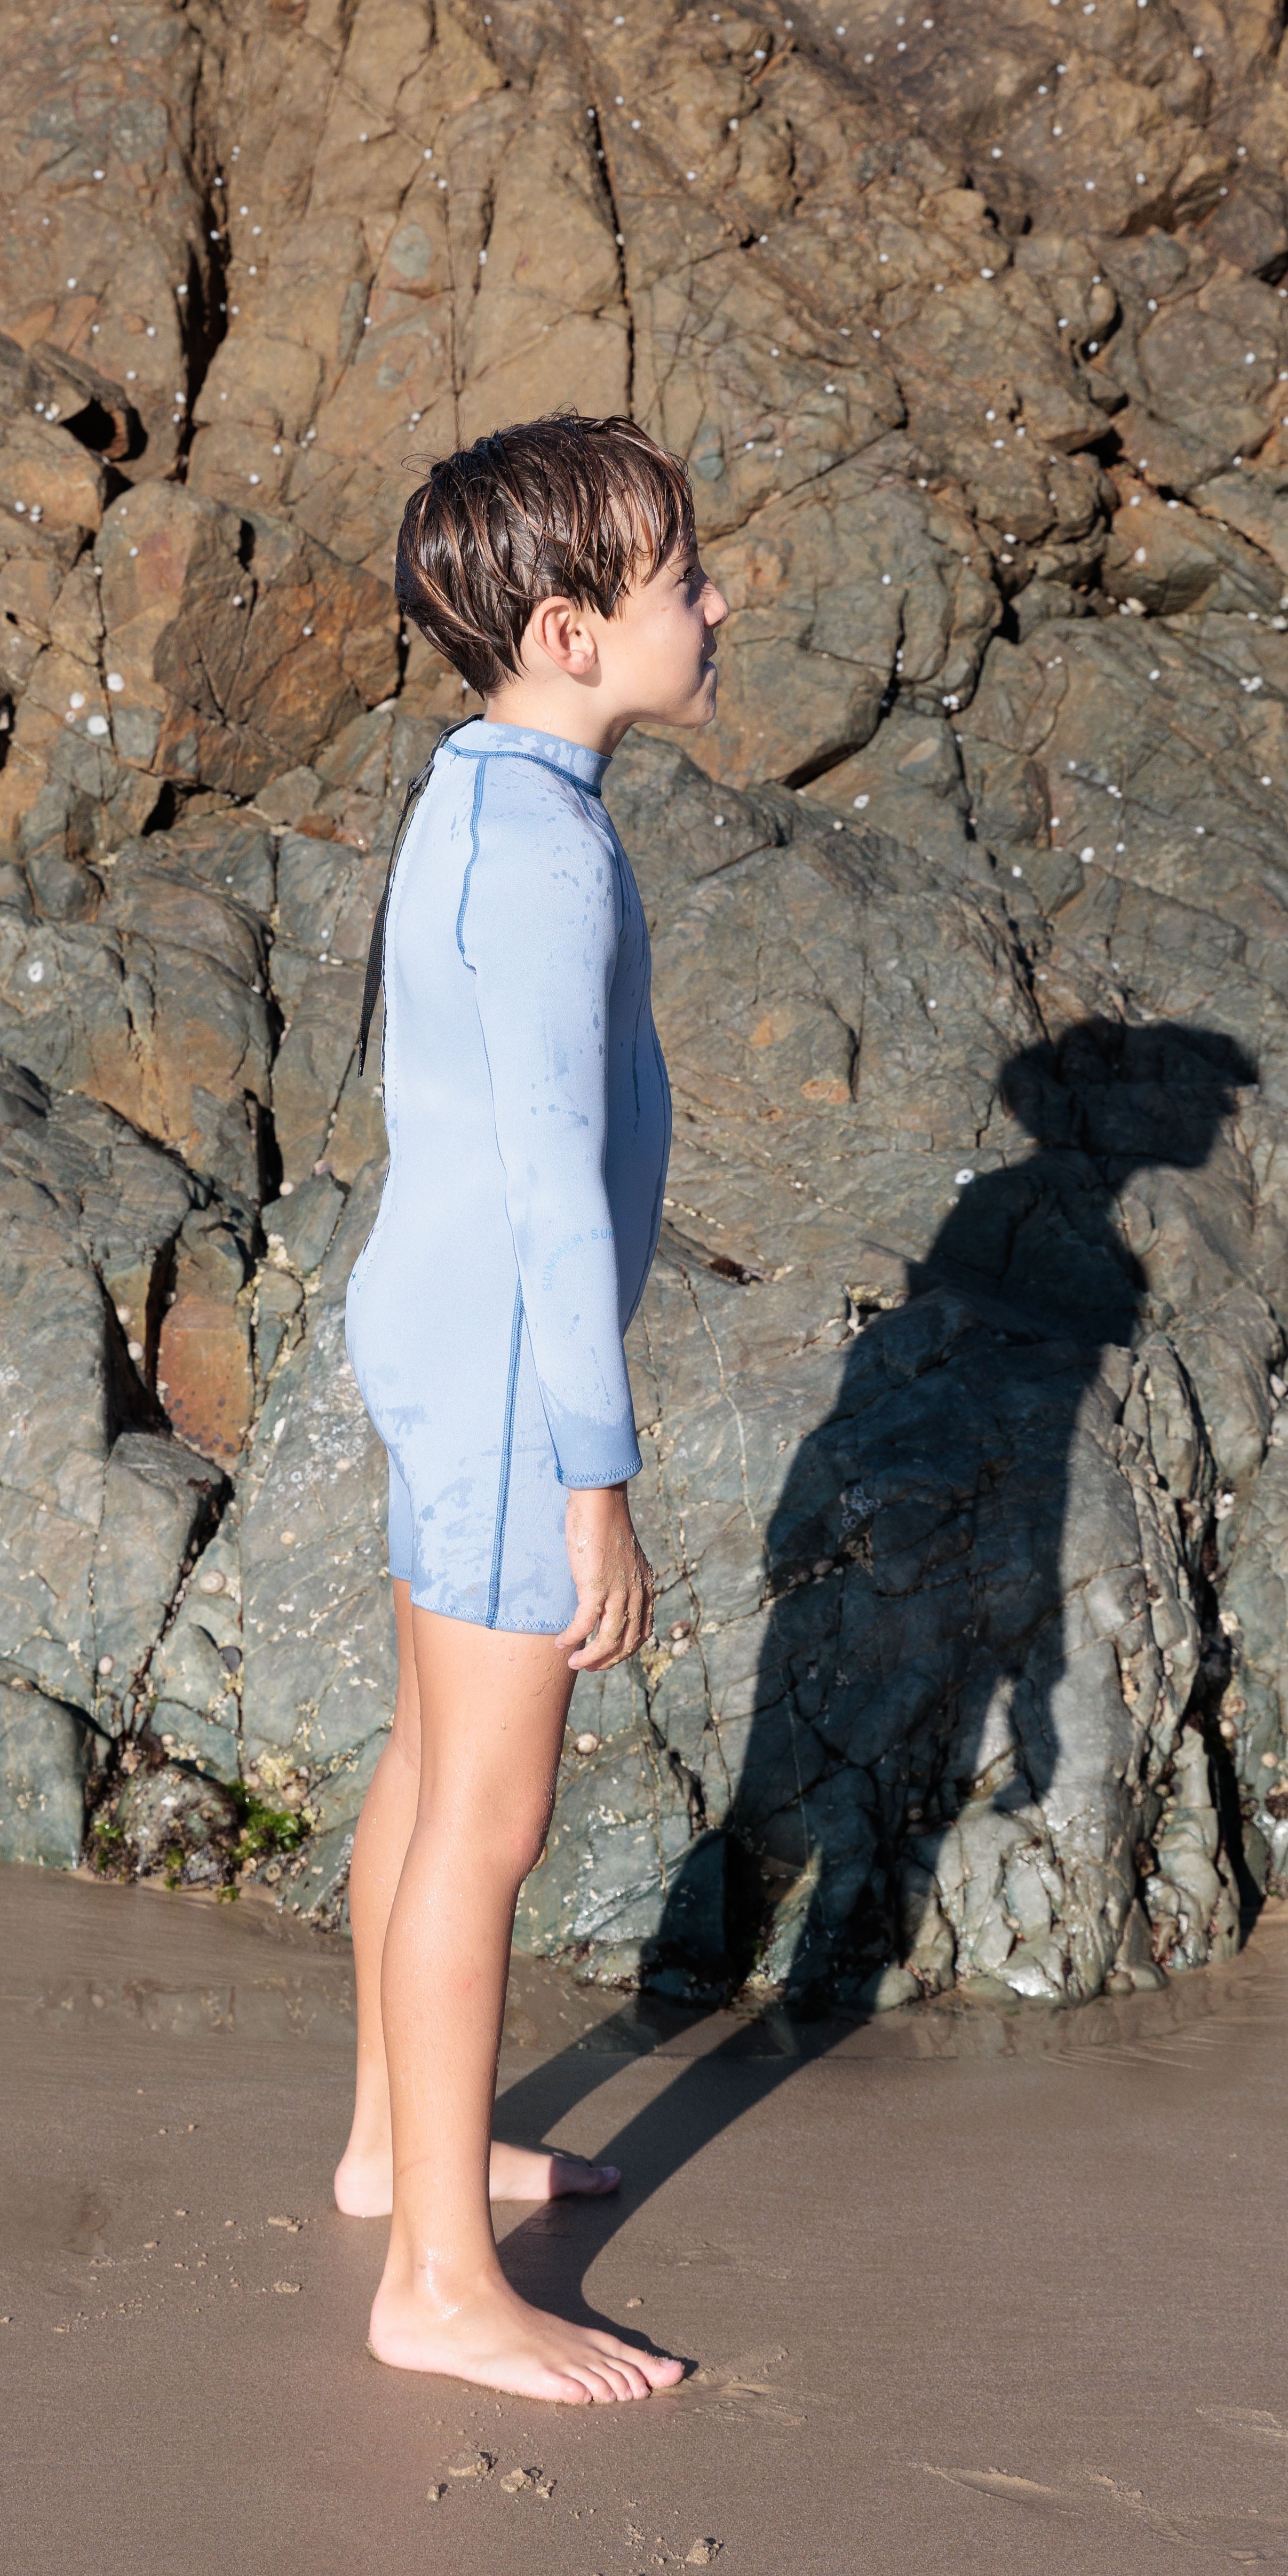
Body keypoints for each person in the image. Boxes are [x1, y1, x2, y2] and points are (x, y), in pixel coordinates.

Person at [336, 414, 727, 2403]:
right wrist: (601, 1478)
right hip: (505, 1373)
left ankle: (386, 2145)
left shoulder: (482, 793)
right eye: (683, 583)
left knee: (420, 1767)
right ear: (573, 631)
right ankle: (437, 2283)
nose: (717, 603)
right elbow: (557, 1195)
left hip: (430, 1329)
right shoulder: (549, 854)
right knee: (488, 1824)